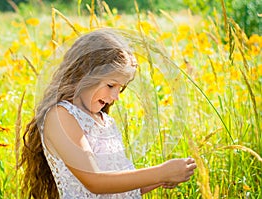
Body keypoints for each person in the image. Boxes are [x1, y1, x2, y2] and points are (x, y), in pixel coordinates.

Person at [19, 28, 197, 199]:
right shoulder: (61, 116)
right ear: (83, 74)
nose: (116, 96)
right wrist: (160, 172)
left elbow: (120, 188)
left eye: (121, 88)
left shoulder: (106, 122)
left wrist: (162, 178)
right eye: (111, 85)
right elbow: (95, 182)